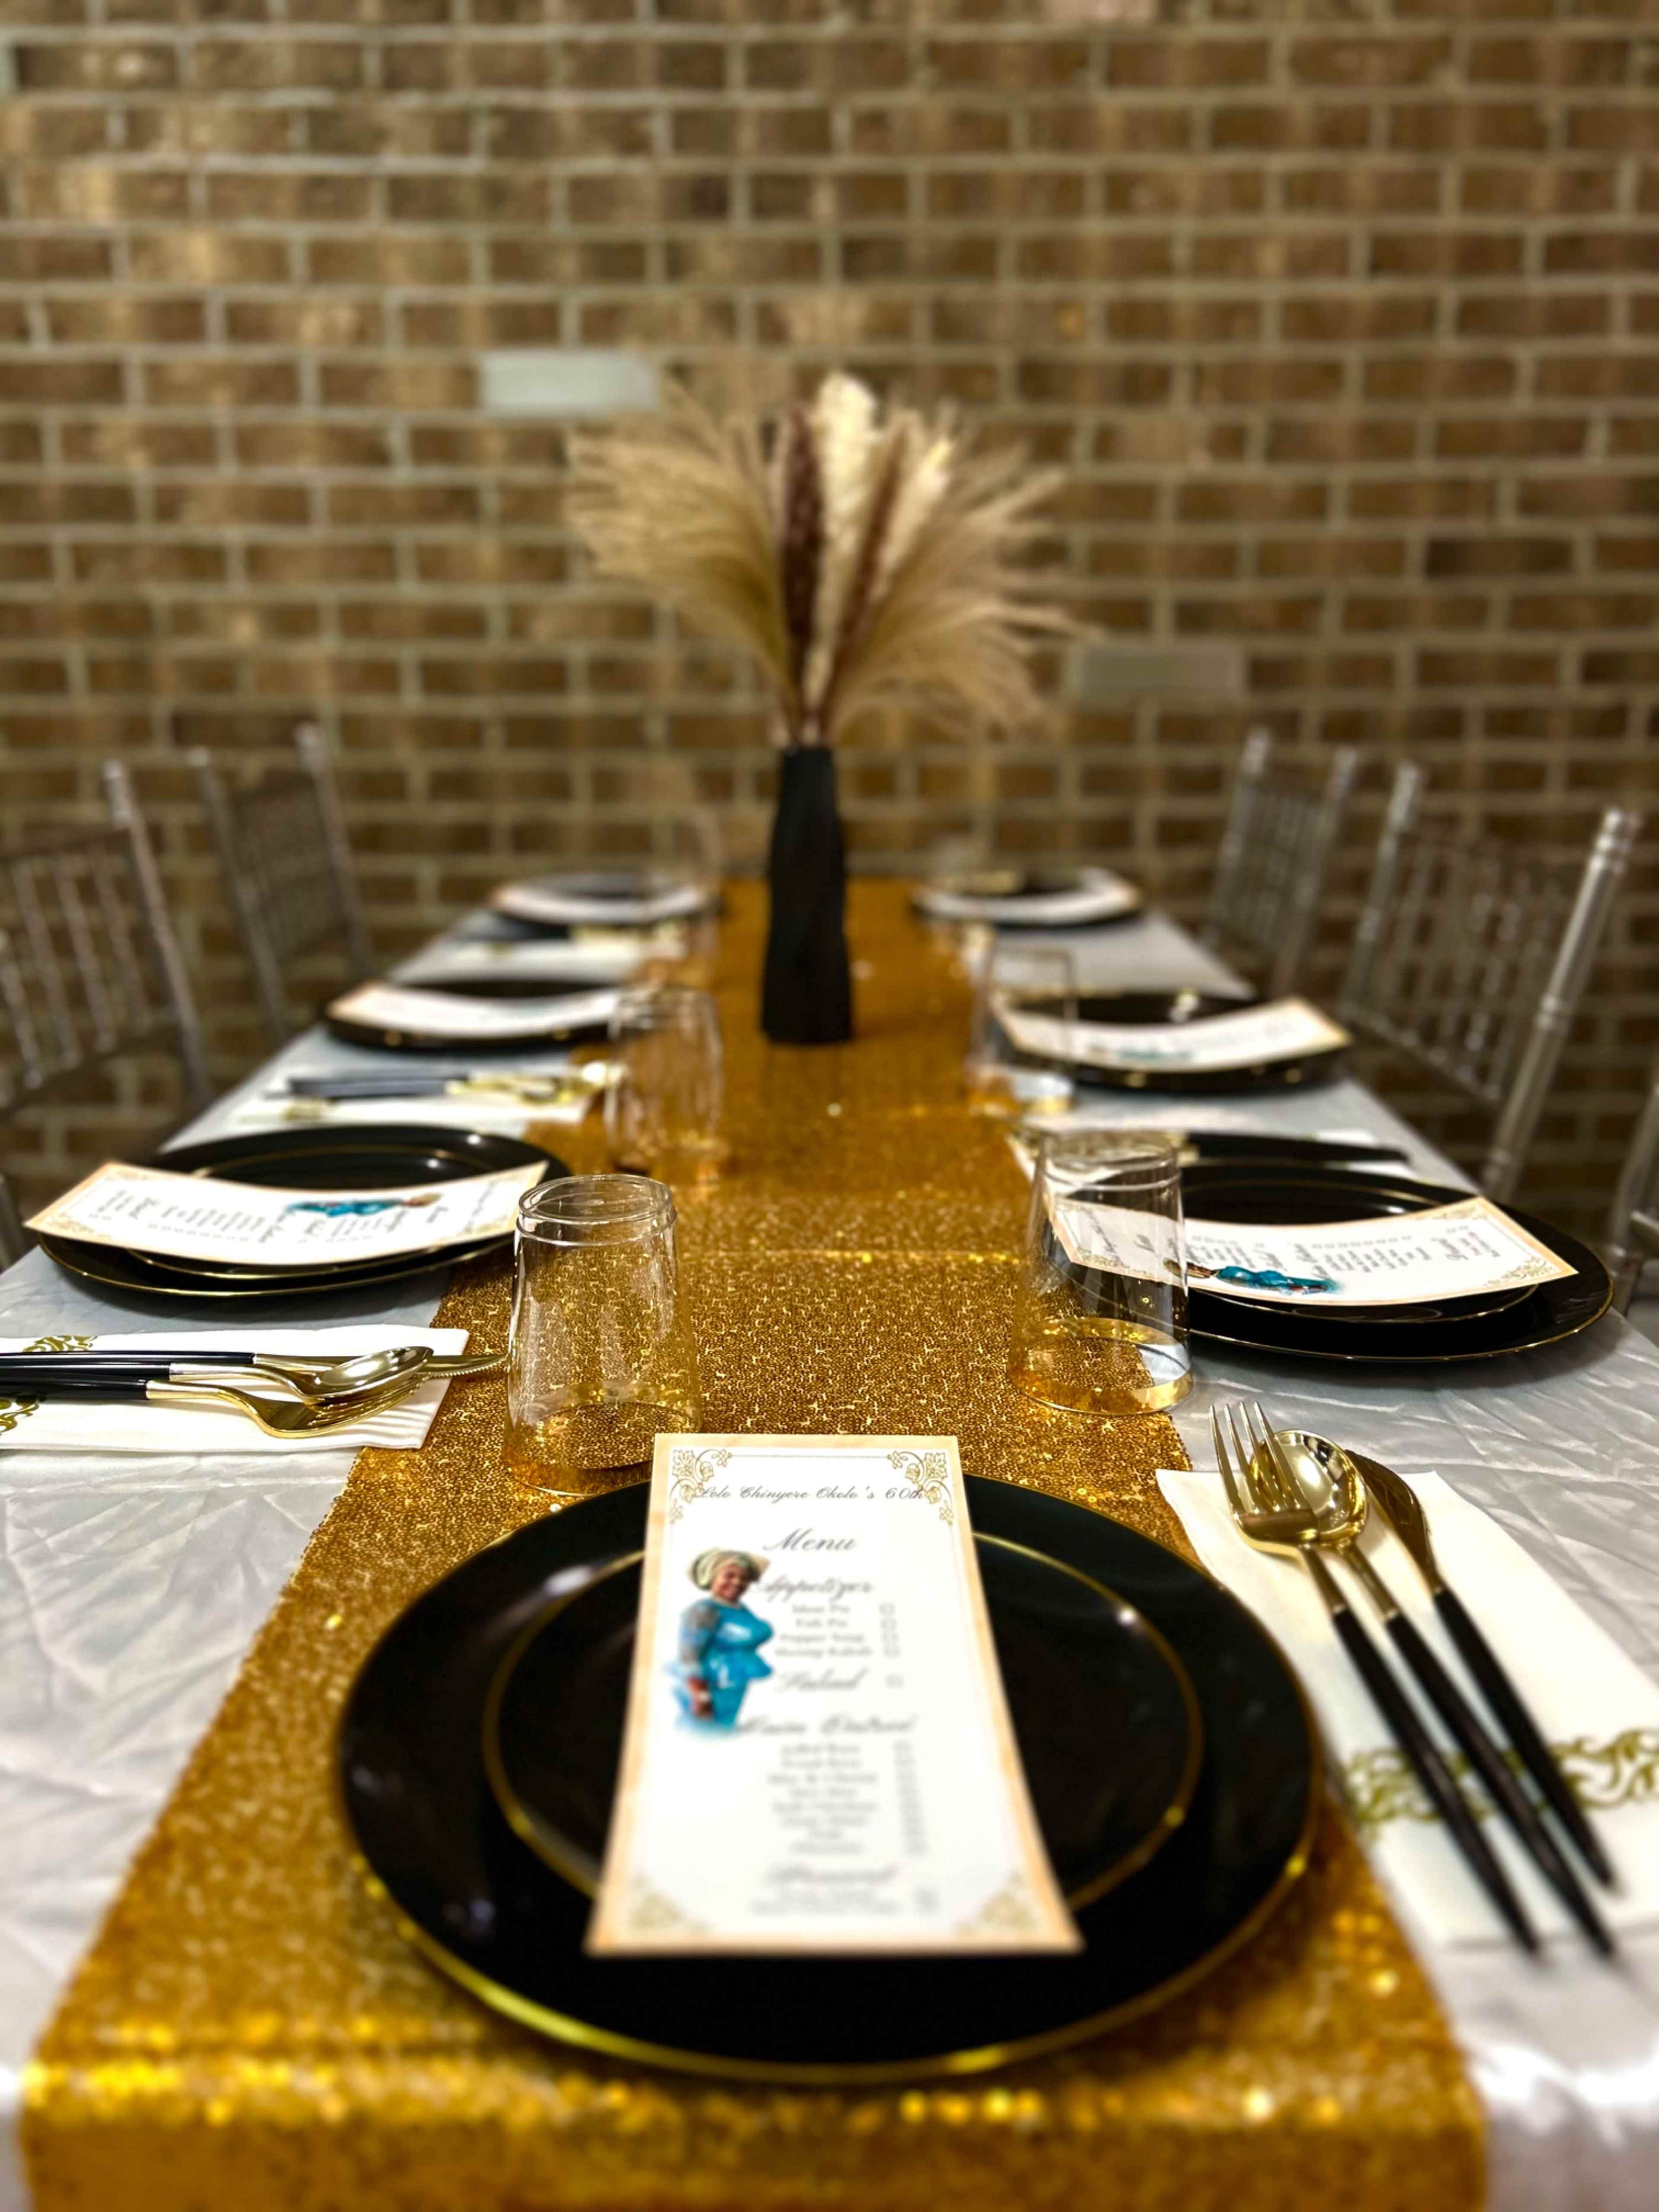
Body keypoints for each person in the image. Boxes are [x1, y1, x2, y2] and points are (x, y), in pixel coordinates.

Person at [674, 1550, 772, 1727]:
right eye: (729, 1576)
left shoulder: (742, 1610)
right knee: (708, 1730)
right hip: (712, 1687)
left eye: (744, 1578)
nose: (737, 1582)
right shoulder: (704, 1611)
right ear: (712, 1577)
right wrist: (701, 1695)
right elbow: (689, 1655)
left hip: (736, 1686)